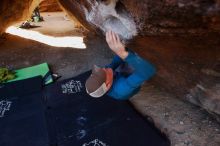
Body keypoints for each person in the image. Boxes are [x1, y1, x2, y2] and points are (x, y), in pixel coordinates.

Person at [85, 30, 156, 100]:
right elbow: (149, 70)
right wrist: (123, 53)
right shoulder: (121, 88)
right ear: (108, 85)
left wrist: (121, 47)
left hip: (119, 76)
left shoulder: (106, 73)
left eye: (99, 71)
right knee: (137, 63)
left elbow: (115, 62)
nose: (104, 68)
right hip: (128, 82)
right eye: (104, 73)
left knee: (122, 61)